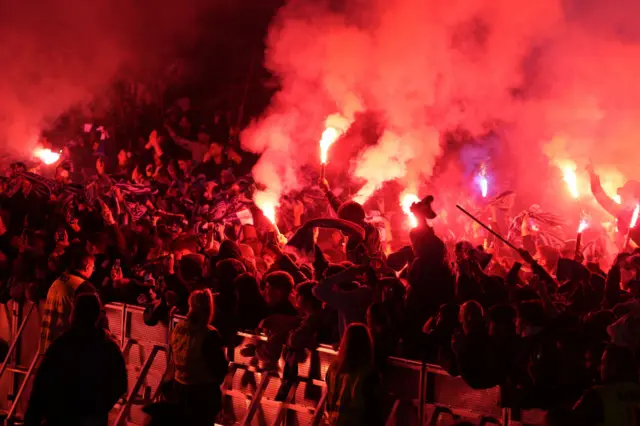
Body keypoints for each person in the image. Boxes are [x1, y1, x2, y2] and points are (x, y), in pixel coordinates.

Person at [25, 294, 127, 426]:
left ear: (75, 315)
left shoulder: (62, 345)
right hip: (93, 418)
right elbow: (120, 384)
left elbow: (42, 383)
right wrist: (99, 406)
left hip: (61, 418)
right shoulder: (108, 347)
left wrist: (32, 417)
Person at [168, 289, 228, 426]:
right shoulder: (209, 334)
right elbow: (219, 367)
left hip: (179, 387)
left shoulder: (179, 328)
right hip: (202, 392)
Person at [39, 248, 97, 352]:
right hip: (67, 348)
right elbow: (93, 316)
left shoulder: (57, 281)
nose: (93, 271)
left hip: (49, 345)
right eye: (93, 268)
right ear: (87, 267)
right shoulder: (83, 287)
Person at [325, 323, 382, 426]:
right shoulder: (367, 373)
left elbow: (329, 400)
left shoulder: (332, 370)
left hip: (335, 421)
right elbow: (372, 409)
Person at [571, 344, 640, 426]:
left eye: (603, 362)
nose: (599, 368)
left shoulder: (597, 395)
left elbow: (570, 420)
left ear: (613, 366)